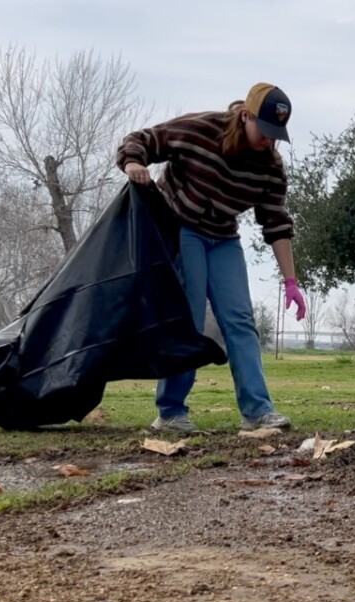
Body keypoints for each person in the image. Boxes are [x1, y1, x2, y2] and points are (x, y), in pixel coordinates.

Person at [115, 82, 306, 433]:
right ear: (246, 116)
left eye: (275, 134)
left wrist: (291, 281)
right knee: (188, 318)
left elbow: (276, 223)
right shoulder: (201, 130)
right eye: (264, 130)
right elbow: (144, 139)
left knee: (240, 320)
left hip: (223, 237)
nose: (268, 140)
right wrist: (132, 163)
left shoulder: (270, 169)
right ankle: (171, 412)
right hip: (182, 228)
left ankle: (257, 411)